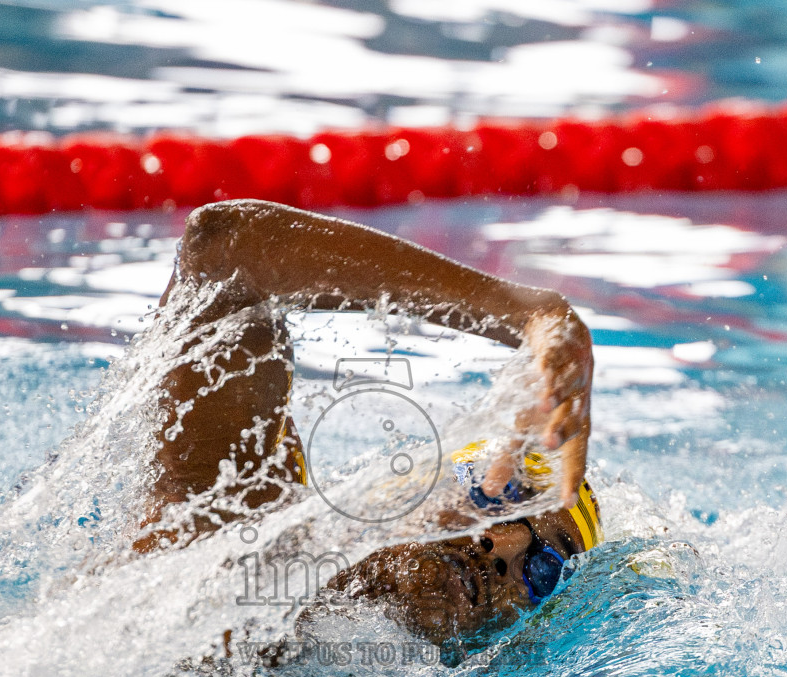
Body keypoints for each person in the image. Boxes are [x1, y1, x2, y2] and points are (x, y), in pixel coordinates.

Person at [143, 199, 600, 647]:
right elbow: (223, 251)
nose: (502, 549)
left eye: (545, 567)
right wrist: (530, 314)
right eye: (505, 494)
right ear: (421, 483)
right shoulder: (242, 508)